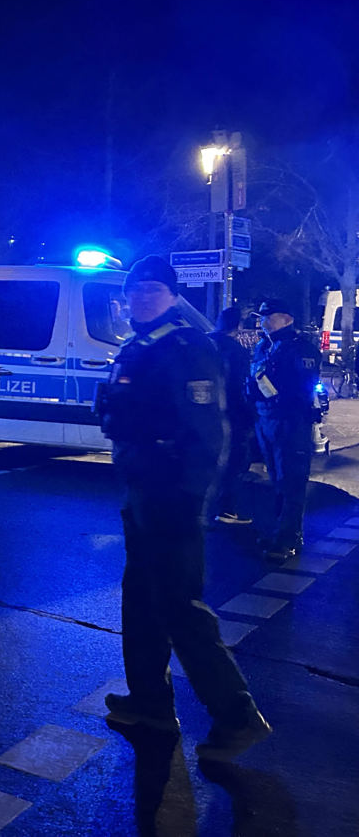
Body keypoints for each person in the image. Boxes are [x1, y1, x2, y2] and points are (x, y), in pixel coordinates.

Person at [98, 256, 270, 760]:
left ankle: (237, 716)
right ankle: (149, 702)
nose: (140, 298)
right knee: (141, 600)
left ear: (172, 295)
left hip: (171, 496)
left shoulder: (187, 346)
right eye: (134, 290)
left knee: (180, 607)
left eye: (151, 289)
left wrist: (189, 499)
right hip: (142, 491)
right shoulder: (140, 345)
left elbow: (205, 434)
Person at [247, 297, 321, 563]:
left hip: (291, 422)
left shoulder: (301, 349)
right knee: (277, 480)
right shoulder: (263, 346)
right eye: (262, 316)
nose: (263, 321)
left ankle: (289, 538)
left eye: (270, 316)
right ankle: (279, 531)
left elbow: (303, 388)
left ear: (287, 319)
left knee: (291, 481)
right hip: (266, 419)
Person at [208, 307, 255, 526]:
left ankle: (204, 509)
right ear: (238, 326)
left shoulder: (205, 344)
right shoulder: (238, 351)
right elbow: (241, 386)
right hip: (232, 414)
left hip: (206, 413)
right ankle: (227, 510)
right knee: (235, 462)